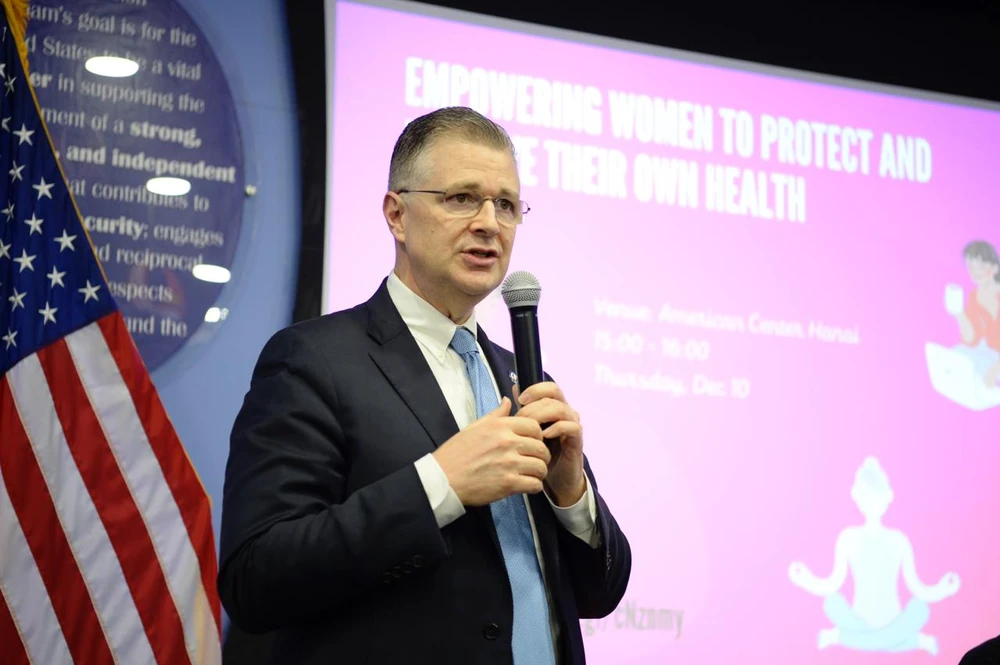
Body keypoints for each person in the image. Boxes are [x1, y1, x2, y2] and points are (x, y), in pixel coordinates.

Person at [218, 106, 631, 665]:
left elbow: (600, 595)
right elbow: (255, 579)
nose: (489, 223)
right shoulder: (312, 361)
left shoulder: (527, 381)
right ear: (397, 215)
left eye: (506, 205)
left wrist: (571, 494)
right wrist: (441, 483)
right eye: (462, 198)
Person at [788, 457, 960, 655]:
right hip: (858, 620)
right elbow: (832, 584)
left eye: (876, 495)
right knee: (831, 602)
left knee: (920, 608)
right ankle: (911, 640)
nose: (872, 502)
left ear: (887, 497)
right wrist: (805, 580)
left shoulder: (898, 540)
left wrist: (943, 589)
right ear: (857, 497)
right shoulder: (848, 538)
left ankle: (841, 637)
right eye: (866, 496)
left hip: (893, 619)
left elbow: (917, 588)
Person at [949, 240, 1000, 386]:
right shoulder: (974, 297)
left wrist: (995, 369)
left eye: (981, 266)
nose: (975, 272)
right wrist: (959, 313)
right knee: (956, 357)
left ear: (995, 267)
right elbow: (971, 340)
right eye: (971, 266)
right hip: (990, 353)